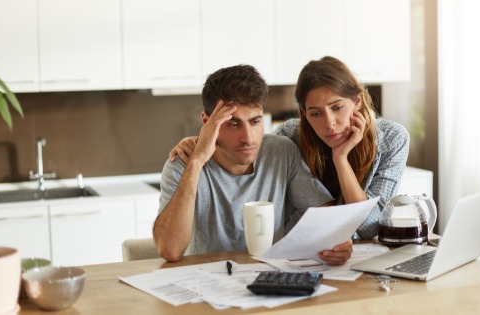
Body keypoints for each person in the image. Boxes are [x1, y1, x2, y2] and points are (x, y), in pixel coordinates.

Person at [170, 56, 410, 240]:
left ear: (356, 101)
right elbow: (247, 148)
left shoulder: (392, 139)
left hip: (357, 254)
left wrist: (341, 159)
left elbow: (370, 227)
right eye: (315, 113)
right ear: (304, 114)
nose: (329, 124)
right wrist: (201, 141)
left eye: (337, 107)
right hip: (307, 253)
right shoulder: (292, 135)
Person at [153, 64, 352, 265]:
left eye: (255, 122)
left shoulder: (281, 152)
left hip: (270, 279)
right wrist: (196, 162)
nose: (248, 138)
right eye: (233, 124)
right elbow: (170, 250)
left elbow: (327, 218)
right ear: (207, 122)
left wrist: (338, 243)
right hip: (206, 281)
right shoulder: (183, 163)